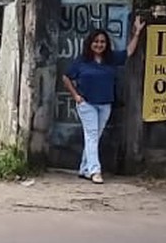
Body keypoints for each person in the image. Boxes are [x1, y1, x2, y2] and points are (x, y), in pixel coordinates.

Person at [62, 15, 144, 184]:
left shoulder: (111, 59)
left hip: (105, 104)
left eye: (102, 42)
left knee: (94, 137)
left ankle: (84, 169)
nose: (99, 44)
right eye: (96, 41)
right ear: (90, 43)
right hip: (87, 104)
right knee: (92, 136)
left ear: (106, 44)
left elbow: (129, 52)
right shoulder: (82, 61)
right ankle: (95, 171)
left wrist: (137, 33)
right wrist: (76, 96)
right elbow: (66, 77)